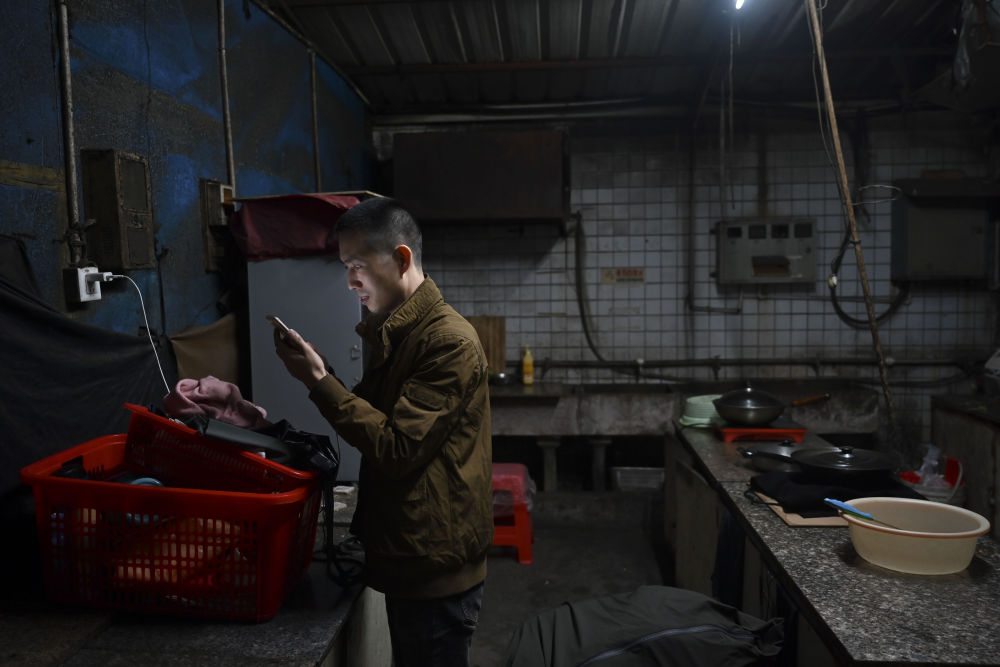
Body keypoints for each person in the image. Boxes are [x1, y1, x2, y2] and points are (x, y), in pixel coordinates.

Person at [273, 197, 493, 667]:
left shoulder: (447, 342)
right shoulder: (396, 330)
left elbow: (396, 448)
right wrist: (323, 373)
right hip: (410, 554)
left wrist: (320, 383)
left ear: (401, 258)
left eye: (358, 266)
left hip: (435, 570)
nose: (350, 281)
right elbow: (377, 415)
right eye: (345, 267)